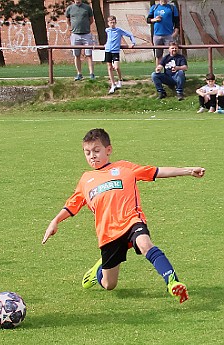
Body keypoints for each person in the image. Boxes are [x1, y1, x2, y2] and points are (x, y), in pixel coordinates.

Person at [42, 128, 205, 304]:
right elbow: (72, 205)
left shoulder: (124, 168)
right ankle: (99, 271)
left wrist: (188, 170)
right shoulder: (86, 179)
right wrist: (55, 221)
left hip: (131, 221)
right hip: (107, 234)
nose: (92, 156)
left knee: (145, 243)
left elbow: (156, 171)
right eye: (87, 153)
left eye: (97, 151)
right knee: (109, 284)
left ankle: (172, 282)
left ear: (108, 150)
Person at [104, 16, 135, 94]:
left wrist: (133, 43)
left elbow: (130, 34)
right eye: (111, 23)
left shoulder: (119, 30)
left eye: (114, 22)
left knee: (116, 67)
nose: (112, 24)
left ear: (115, 22)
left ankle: (120, 79)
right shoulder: (107, 30)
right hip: (108, 50)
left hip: (115, 51)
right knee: (109, 67)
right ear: (108, 23)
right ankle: (113, 84)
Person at [65, 0, 95, 81]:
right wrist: (72, 28)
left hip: (86, 34)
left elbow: (91, 20)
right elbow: (68, 20)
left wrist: (85, 27)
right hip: (75, 35)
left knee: (89, 55)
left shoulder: (87, 8)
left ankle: (91, 74)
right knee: (76, 55)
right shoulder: (70, 8)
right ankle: (79, 74)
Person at [147, 0, 180, 65]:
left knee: (172, 54)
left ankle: (171, 72)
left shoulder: (172, 8)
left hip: (169, 35)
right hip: (157, 35)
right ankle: (158, 72)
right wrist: (155, 19)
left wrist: (176, 32)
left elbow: (177, 21)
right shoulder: (154, 7)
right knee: (158, 55)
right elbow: (148, 19)